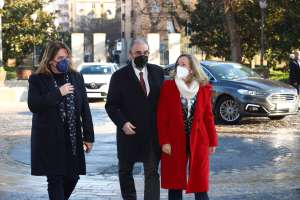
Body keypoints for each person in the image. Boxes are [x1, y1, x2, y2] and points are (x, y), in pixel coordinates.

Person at [27, 41, 94, 200]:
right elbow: (34, 105)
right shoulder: (38, 79)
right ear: (50, 60)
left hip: (71, 138)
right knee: (55, 179)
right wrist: (59, 93)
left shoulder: (76, 77)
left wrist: (89, 137)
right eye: (60, 58)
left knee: (73, 177)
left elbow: (85, 108)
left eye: (67, 57)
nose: (65, 61)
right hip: (49, 140)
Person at [105, 38, 164, 200]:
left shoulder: (158, 72)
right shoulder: (119, 76)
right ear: (130, 54)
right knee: (125, 172)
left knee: (152, 173)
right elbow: (111, 105)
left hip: (152, 134)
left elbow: (164, 102)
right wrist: (122, 123)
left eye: (145, 53)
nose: (142, 56)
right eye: (138, 53)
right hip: (128, 133)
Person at [157, 54, 218, 200]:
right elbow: (161, 117)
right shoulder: (169, 87)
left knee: (200, 181)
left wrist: (212, 141)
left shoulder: (204, 88)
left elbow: (208, 117)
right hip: (174, 139)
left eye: (183, 64)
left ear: (192, 68)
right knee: (175, 181)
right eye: (178, 64)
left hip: (199, 139)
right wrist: (164, 141)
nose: (179, 67)